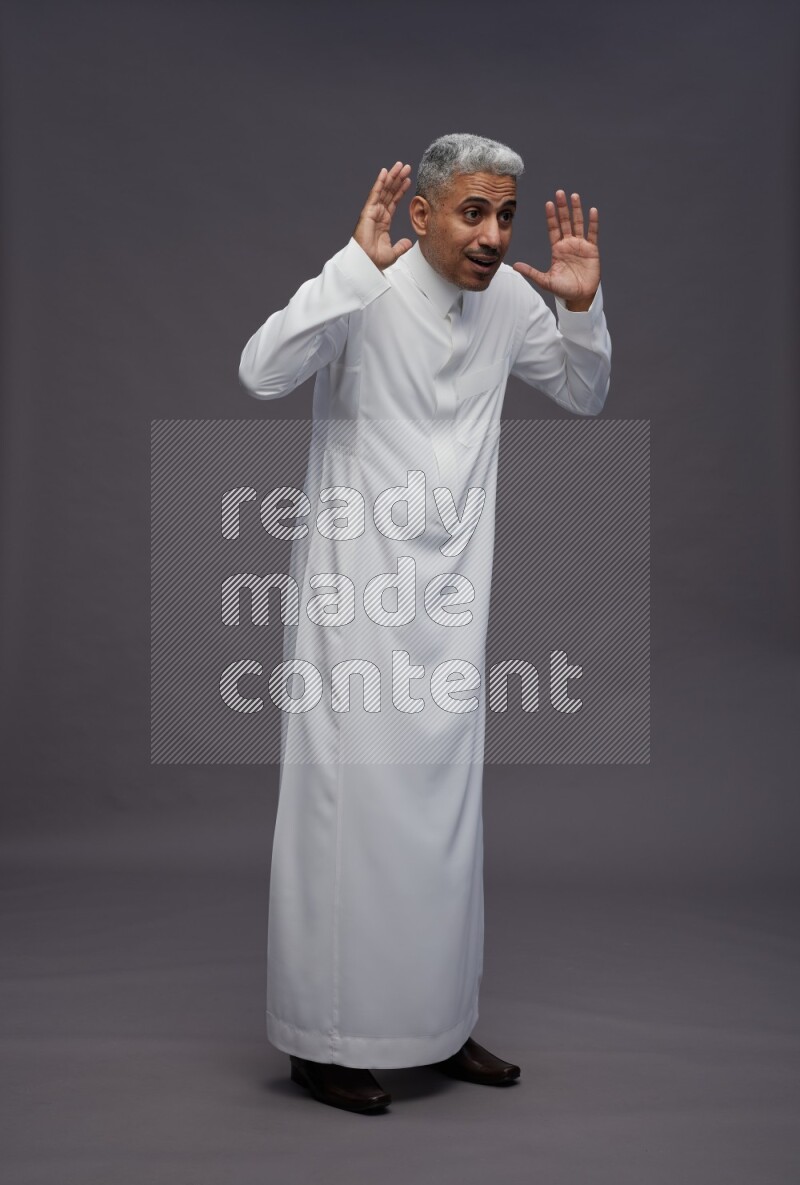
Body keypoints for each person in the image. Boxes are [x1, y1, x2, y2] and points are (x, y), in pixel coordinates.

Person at [238, 133, 611, 1114]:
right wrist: (346, 270)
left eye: (504, 216)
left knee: (441, 818)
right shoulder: (368, 285)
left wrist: (580, 311)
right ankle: (322, 1039)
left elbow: (583, 391)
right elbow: (260, 372)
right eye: (472, 212)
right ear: (419, 213)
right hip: (353, 598)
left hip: (450, 598)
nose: (492, 235)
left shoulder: (511, 304)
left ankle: (434, 1022)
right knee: (348, 816)